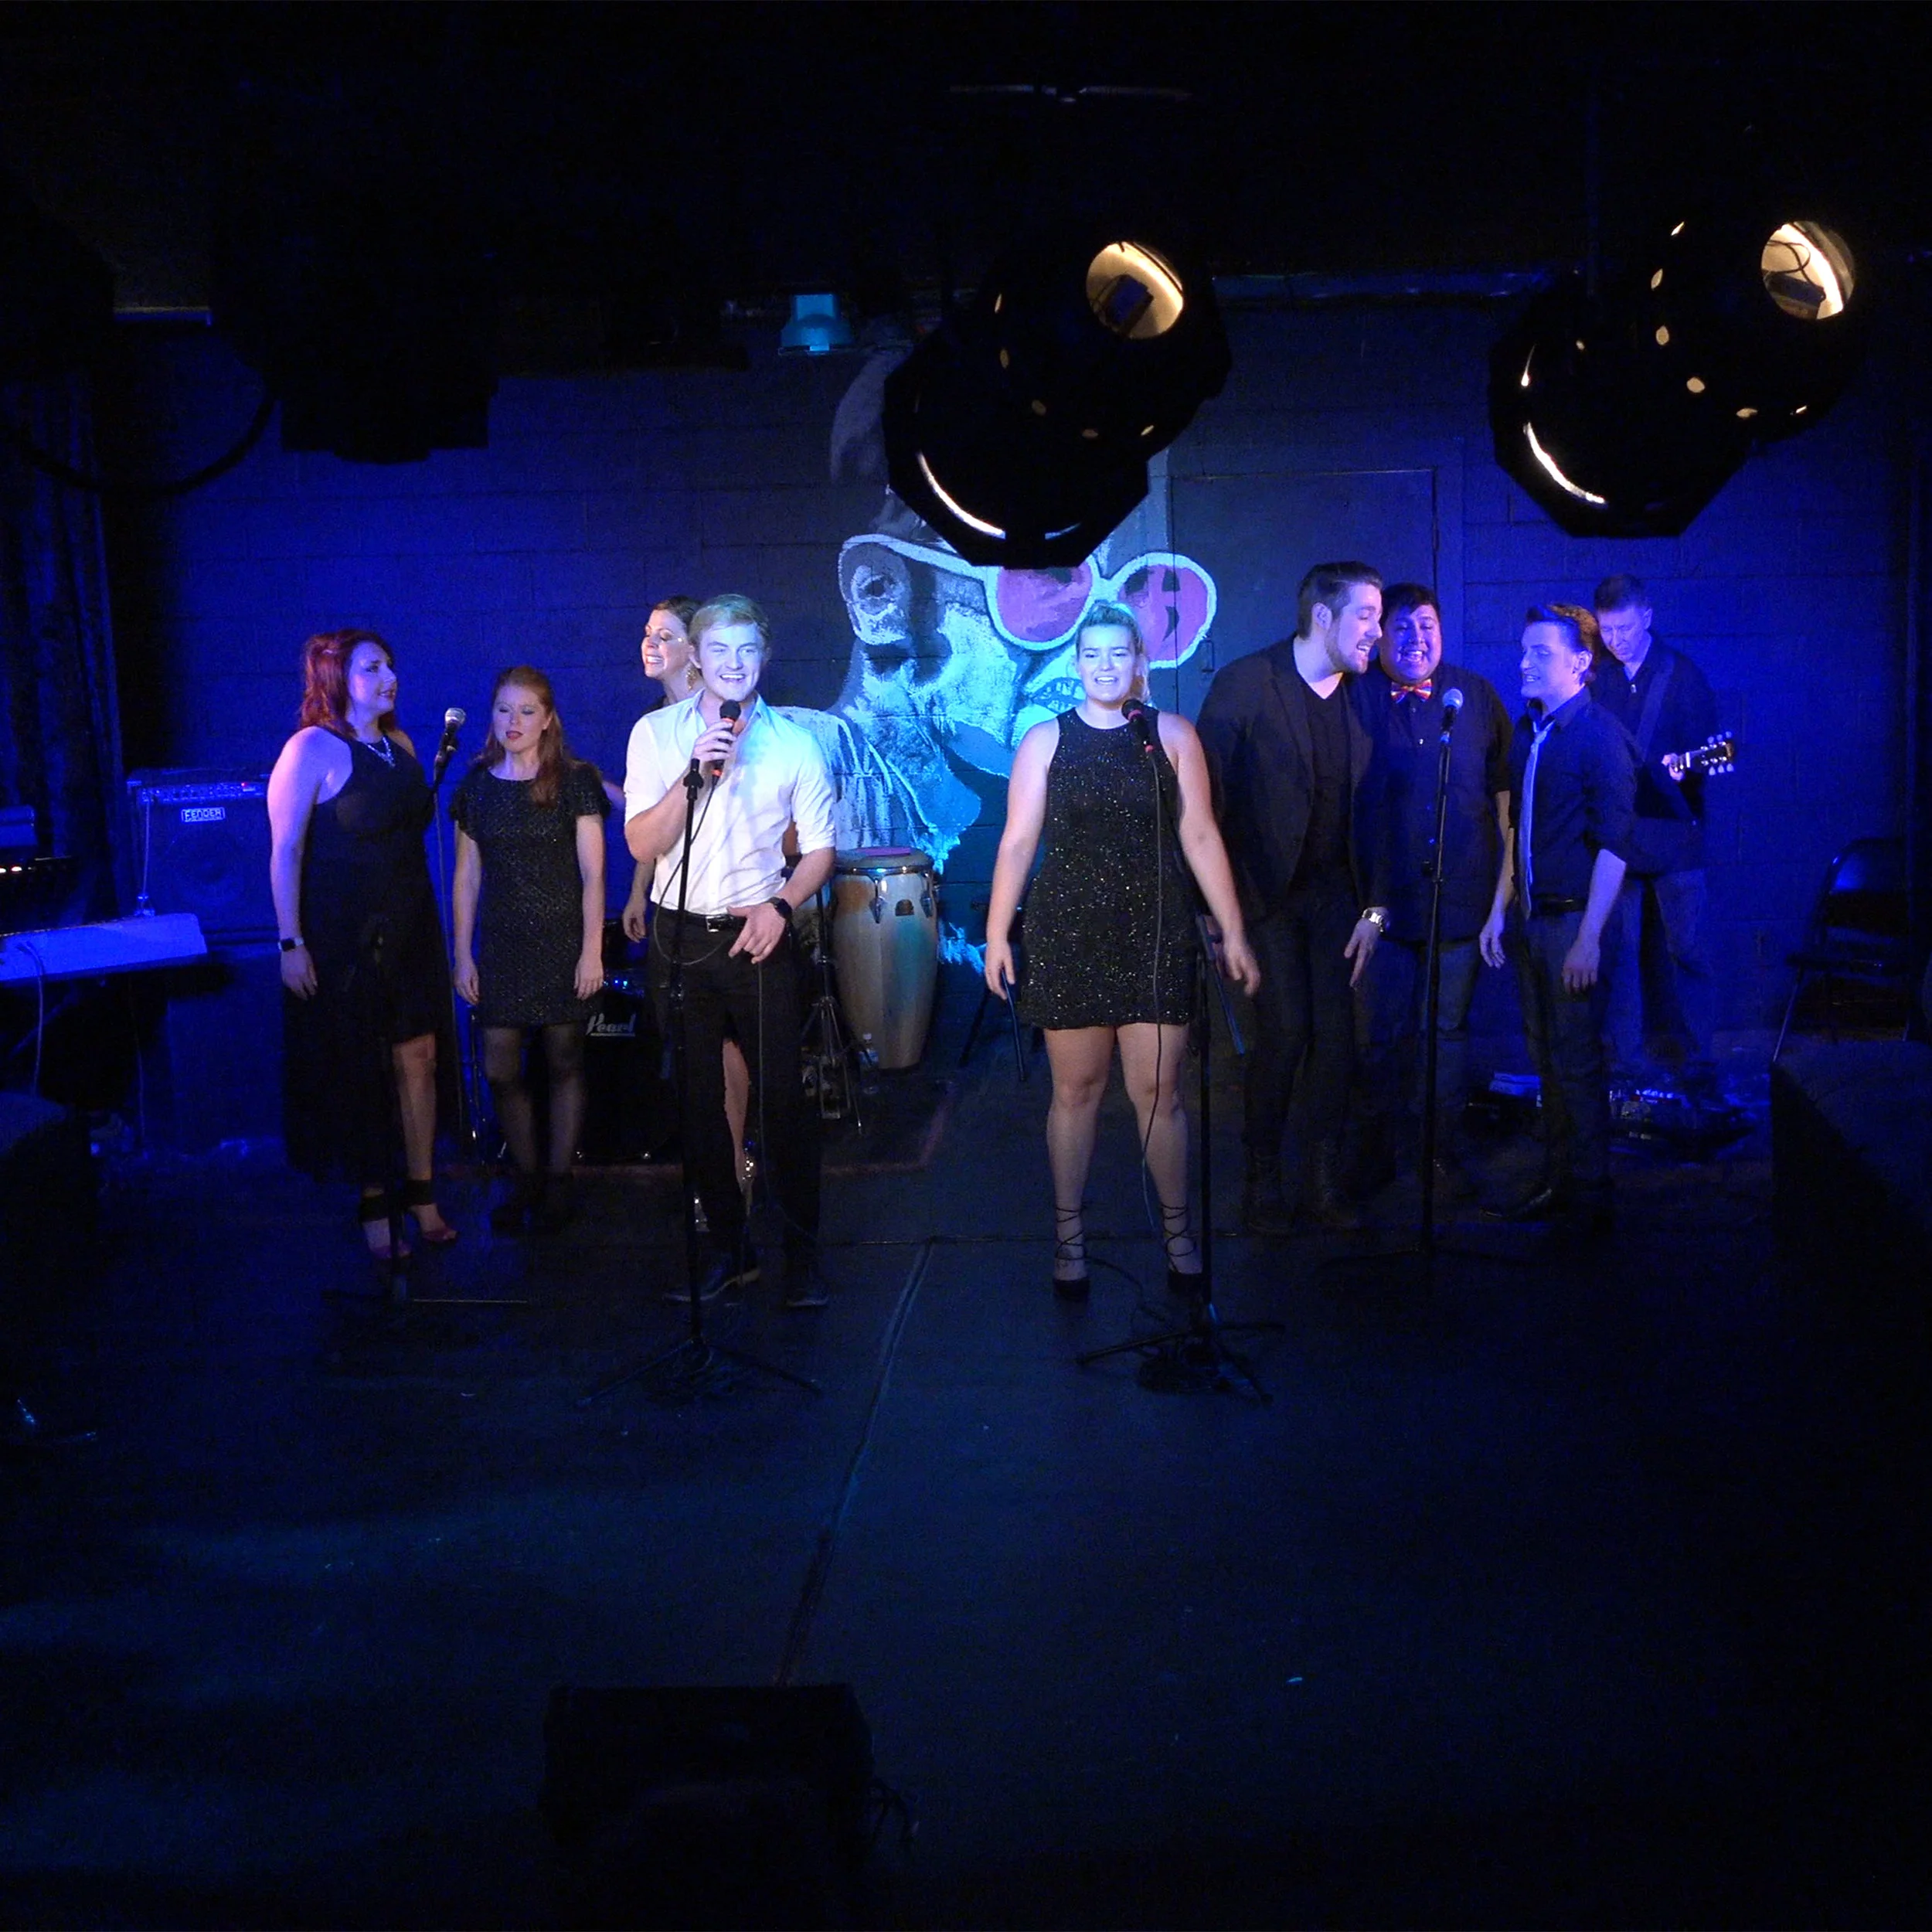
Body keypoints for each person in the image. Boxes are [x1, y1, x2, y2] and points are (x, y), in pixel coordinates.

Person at [983, 603, 1260, 1298]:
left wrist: (1232, 929)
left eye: (1118, 653)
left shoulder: (1170, 736)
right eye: (1092, 654)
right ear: (1077, 663)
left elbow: (1200, 835)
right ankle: (1069, 1239)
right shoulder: (1046, 740)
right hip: (1070, 933)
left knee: (1159, 1094)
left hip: (1156, 932)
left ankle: (1178, 1236)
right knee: (1075, 1092)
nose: (1105, 666)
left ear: (1140, 661)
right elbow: (1017, 841)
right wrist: (995, 934)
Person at [623, 594, 837, 1307]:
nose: (735, 664)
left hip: (758, 930)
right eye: (719, 650)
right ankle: (729, 1247)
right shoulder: (656, 735)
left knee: (783, 1101)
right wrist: (692, 774)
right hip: (680, 936)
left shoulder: (795, 743)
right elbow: (642, 844)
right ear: (696, 656)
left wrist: (782, 907)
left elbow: (820, 850)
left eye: (747, 650)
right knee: (697, 1102)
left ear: (764, 656)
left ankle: (800, 1256)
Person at [1196, 562, 1390, 1235]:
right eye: (1366, 615)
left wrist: (1375, 909)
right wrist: (1218, 916)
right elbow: (1203, 805)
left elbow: (1380, 811)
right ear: (1323, 617)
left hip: (1339, 899)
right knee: (1284, 1035)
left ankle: (1322, 1183)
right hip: (1265, 897)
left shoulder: (1366, 696)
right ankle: (1263, 1182)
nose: (1378, 631)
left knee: (1337, 1041)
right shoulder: (1248, 683)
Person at [267, 629, 456, 1260]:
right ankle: (376, 1202)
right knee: (361, 1067)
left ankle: (422, 1192)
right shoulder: (310, 748)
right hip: (345, 935)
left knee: (419, 1055)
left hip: (409, 927)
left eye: (390, 666)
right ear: (336, 677)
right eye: (372, 667)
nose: (388, 678)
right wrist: (290, 941)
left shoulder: (400, 746)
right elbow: (286, 850)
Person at [1349, 583, 1512, 1200]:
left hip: (1462, 901)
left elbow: (1505, 797)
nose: (1416, 639)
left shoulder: (1474, 696)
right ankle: (1375, 1157)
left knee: (1447, 1037)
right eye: (1402, 627)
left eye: (1428, 626)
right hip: (1381, 907)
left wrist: (1503, 896)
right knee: (1379, 1038)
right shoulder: (1356, 696)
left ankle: (1441, 1154)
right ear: (1380, 637)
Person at [1478, 604, 1637, 1240]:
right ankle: (1559, 1183)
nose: (1525, 663)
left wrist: (1589, 939)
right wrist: (1499, 908)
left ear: (1580, 663)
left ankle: (1591, 1203)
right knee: (1547, 1059)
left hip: (1574, 924)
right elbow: (1519, 833)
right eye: (1524, 651)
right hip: (1534, 923)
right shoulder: (1530, 732)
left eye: (1540, 653)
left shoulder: (1600, 737)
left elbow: (1614, 847)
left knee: (1577, 1066)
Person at [450, 666, 608, 1233]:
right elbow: (466, 878)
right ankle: (528, 1176)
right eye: (503, 709)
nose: (512, 721)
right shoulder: (476, 787)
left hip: (563, 941)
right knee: (499, 1067)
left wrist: (592, 951)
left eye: (525, 711)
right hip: (503, 944)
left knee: (565, 1060)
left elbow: (594, 874)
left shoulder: (574, 781)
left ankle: (559, 1180)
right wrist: (462, 954)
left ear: (547, 720)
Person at [621, 595, 755, 1213]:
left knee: (729, 1046)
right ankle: (714, 1177)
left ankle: (735, 1167)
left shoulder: (730, 715)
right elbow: (654, 823)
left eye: (666, 636)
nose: (652, 645)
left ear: (696, 654)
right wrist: (638, 891)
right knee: (692, 1050)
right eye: (648, 634)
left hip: (735, 910)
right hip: (677, 912)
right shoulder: (655, 726)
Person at [1590, 573, 1720, 1088]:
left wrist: (1685, 769)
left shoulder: (1682, 676)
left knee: (1688, 950)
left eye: (1624, 628)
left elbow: (1709, 753)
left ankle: (1700, 1060)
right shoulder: (1598, 674)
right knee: (1619, 954)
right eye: (1607, 630)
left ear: (1647, 617)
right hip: (1619, 839)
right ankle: (1625, 1061)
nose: (1616, 640)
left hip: (1674, 839)